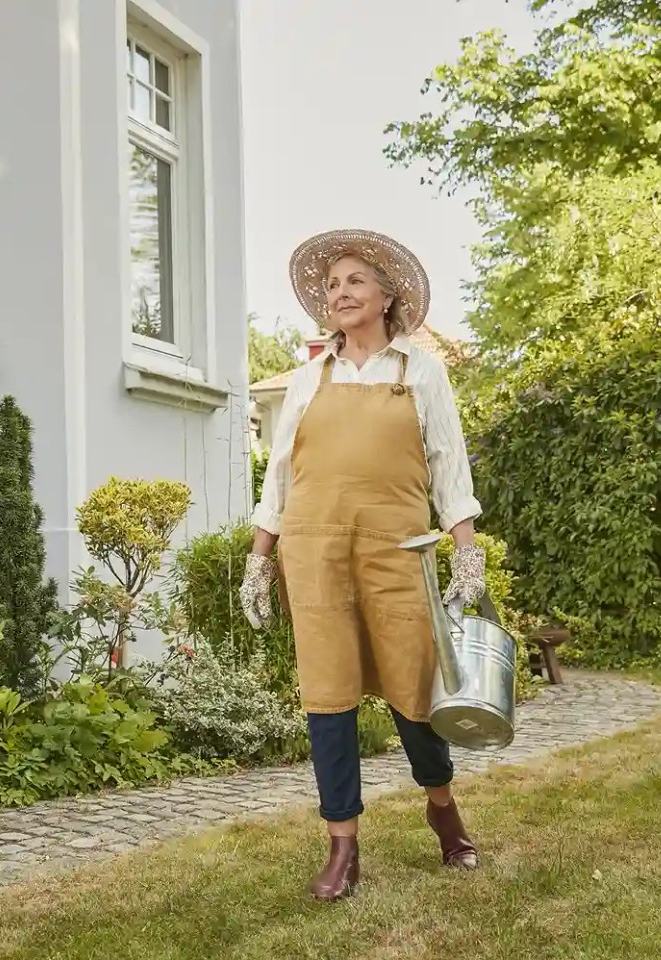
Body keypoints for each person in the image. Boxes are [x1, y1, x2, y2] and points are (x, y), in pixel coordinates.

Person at [239, 228, 488, 901]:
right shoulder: (307, 379)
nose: (340, 293)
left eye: (355, 281)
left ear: (386, 296)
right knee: (328, 699)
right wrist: (259, 561)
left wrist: (467, 554)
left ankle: (443, 809)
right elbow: (278, 478)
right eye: (332, 285)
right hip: (315, 554)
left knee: (414, 696)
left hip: (396, 553)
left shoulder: (420, 372)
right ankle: (342, 846)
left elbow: (450, 470)